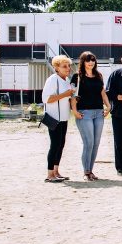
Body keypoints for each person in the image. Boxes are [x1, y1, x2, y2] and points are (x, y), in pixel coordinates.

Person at [70, 52, 111, 180]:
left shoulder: (99, 75)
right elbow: (73, 95)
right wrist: (74, 110)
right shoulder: (77, 76)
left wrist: (108, 106)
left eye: (93, 60)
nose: (91, 62)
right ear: (83, 62)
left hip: (99, 113)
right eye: (88, 60)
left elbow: (102, 93)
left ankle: (91, 171)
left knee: (96, 143)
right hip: (84, 113)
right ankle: (86, 172)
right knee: (89, 142)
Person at [42, 55, 74, 183]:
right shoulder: (52, 80)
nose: (68, 68)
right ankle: (49, 174)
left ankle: (56, 171)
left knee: (61, 145)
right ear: (56, 68)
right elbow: (47, 99)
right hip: (54, 118)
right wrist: (65, 94)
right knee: (54, 145)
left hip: (64, 118)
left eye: (68, 66)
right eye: (64, 66)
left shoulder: (66, 80)